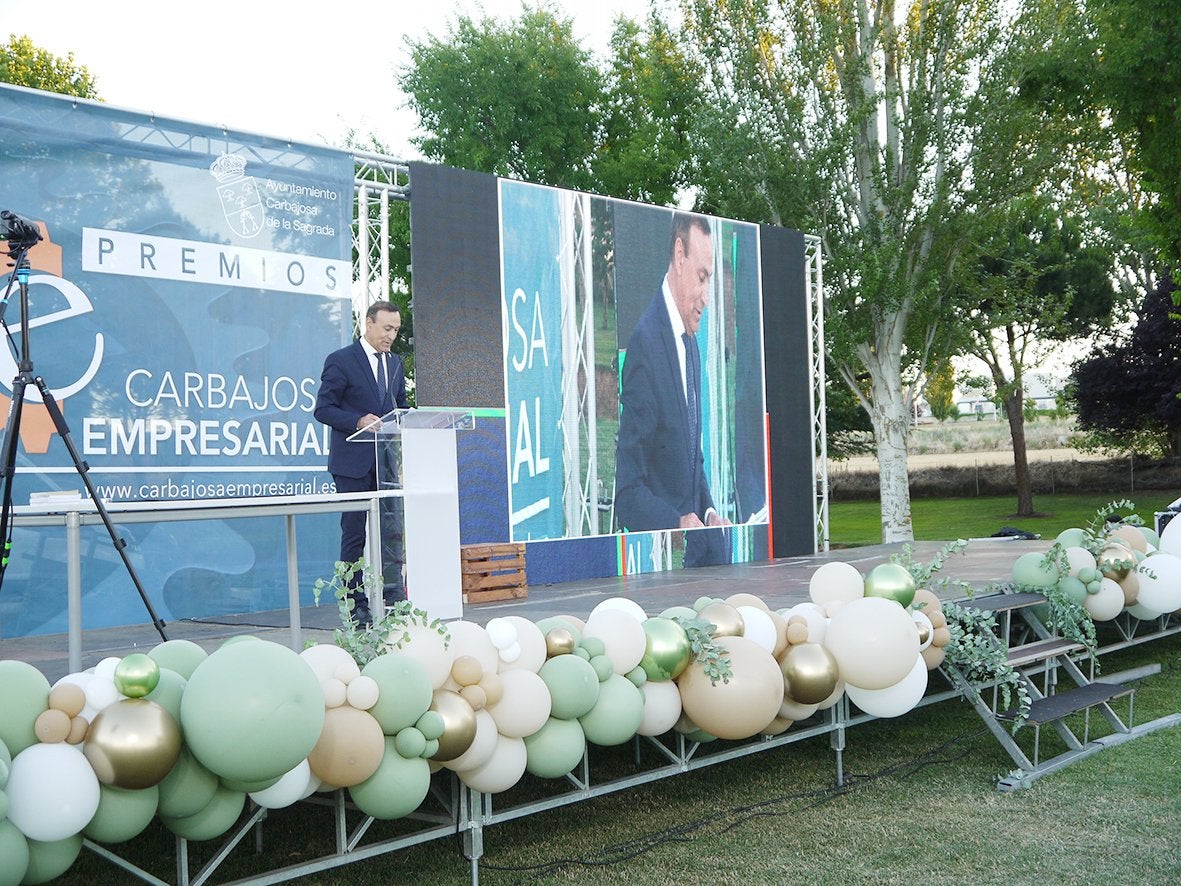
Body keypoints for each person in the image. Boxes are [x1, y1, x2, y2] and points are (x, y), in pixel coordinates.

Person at [615, 212, 731, 567]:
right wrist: (675, 523)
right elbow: (627, 491)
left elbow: (689, 458)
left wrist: (709, 511)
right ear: (679, 255)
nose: (706, 297)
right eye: (702, 277)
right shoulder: (645, 344)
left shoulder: (690, 343)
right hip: (665, 572)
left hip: (702, 558)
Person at [314, 300, 409, 625]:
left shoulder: (395, 363)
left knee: (391, 532)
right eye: (386, 328)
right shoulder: (341, 361)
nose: (391, 336)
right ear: (368, 324)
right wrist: (357, 421)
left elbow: (401, 407)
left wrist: (406, 423)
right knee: (354, 534)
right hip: (352, 464)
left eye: (395, 330)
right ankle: (355, 604)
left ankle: (394, 597)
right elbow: (323, 409)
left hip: (386, 464)